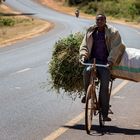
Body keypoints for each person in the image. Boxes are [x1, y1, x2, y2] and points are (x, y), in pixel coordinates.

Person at [79, 13, 126, 121]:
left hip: (105, 63)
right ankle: (88, 93)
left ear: (105, 21)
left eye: (101, 20)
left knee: (104, 87)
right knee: (86, 71)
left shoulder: (113, 32)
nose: (99, 22)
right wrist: (83, 56)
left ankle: (104, 114)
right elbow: (84, 45)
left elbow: (116, 47)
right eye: (97, 20)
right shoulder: (91, 31)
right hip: (92, 61)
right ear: (95, 21)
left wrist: (111, 61)